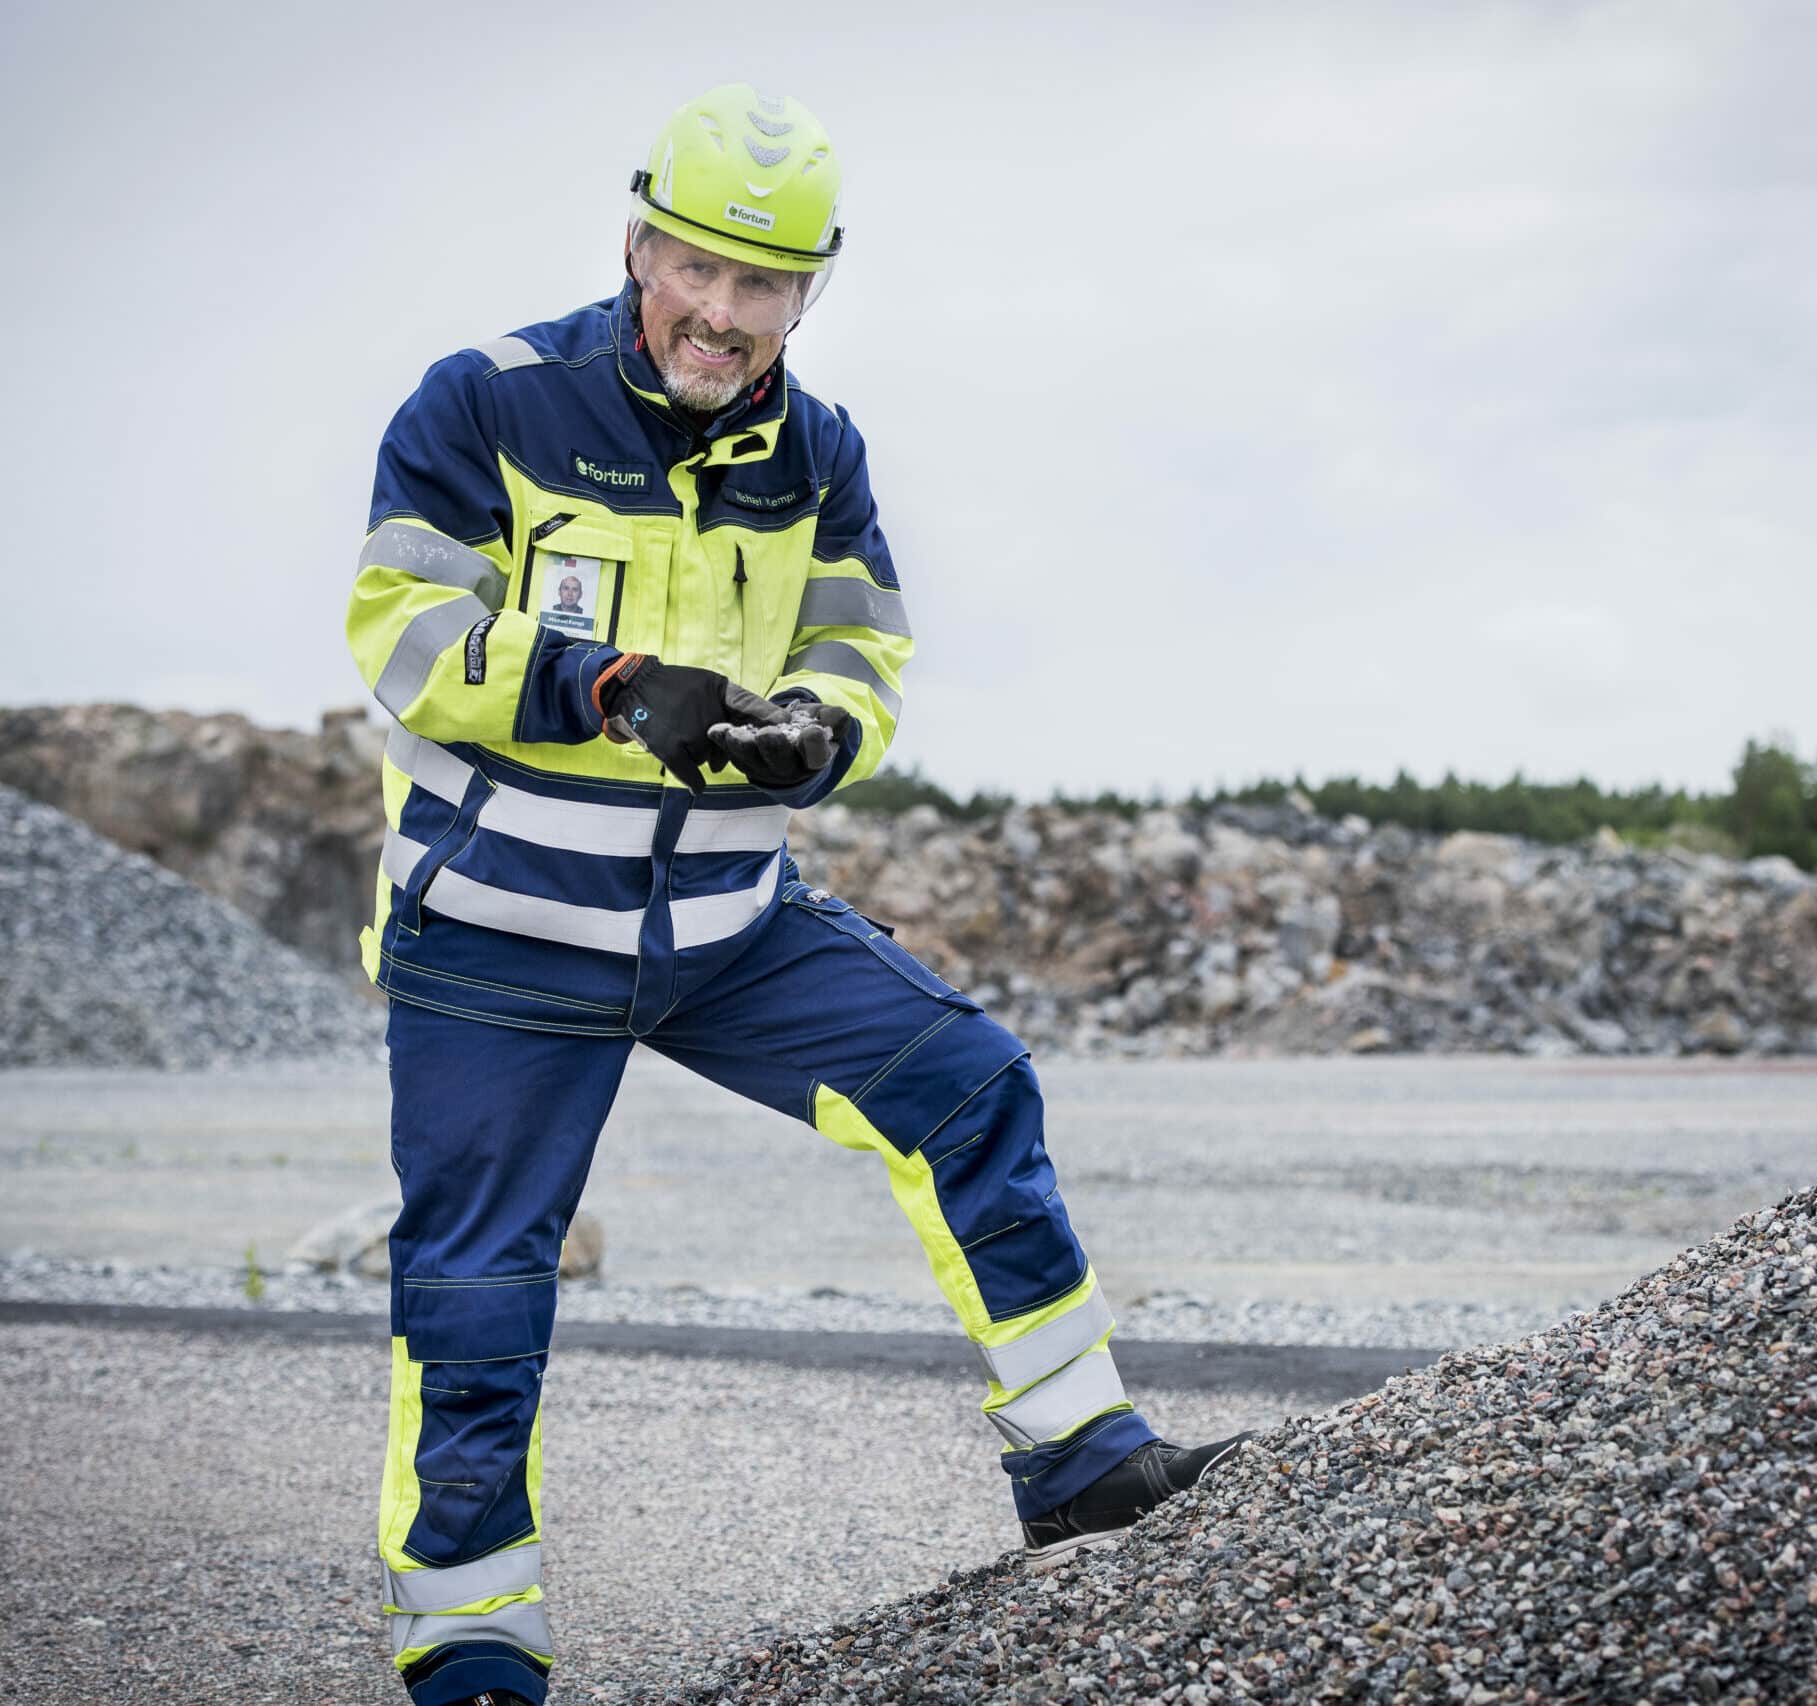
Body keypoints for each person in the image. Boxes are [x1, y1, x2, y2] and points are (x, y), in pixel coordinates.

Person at [345, 84, 1250, 1706]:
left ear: (808, 292)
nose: (720, 311)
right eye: (695, 267)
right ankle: (471, 1645)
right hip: (500, 933)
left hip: (726, 929)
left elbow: (861, 645)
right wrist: (612, 683)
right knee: (475, 1299)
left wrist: (824, 730)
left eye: (762, 284)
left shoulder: (817, 450)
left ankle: (1079, 1453)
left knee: (969, 1083)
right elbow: (404, 635)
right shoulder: (487, 401)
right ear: (637, 243)